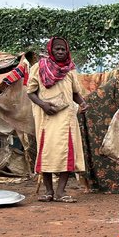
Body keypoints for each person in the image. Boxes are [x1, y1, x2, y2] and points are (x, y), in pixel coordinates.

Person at [27, 37, 88, 203]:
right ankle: (48, 192)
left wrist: (82, 103)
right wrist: (43, 105)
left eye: (63, 49)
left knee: (66, 152)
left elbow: (75, 93)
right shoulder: (38, 68)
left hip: (66, 118)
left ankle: (60, 192)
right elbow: (30, 92)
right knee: (46, 152)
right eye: (57, 49)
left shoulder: (70, 70)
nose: (60, 52)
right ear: (50, 50)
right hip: (46, 117)